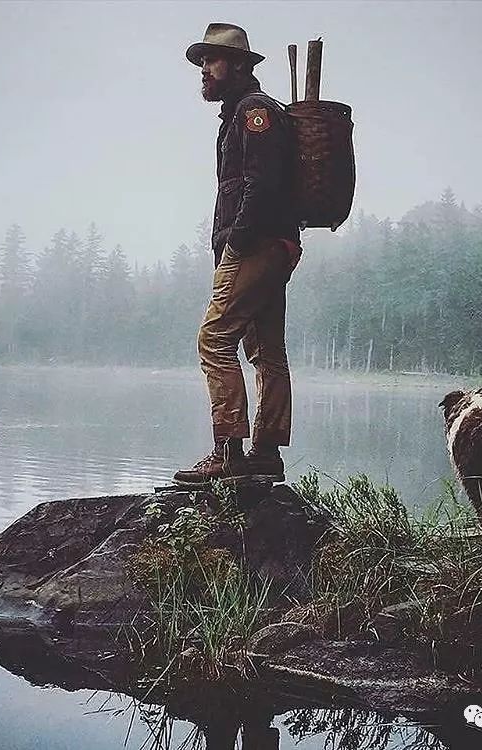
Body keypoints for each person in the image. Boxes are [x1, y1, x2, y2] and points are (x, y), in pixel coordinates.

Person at [174, 23, 302, 486]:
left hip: (257, 244)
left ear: (239, 65)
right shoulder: (243, 113)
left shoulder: (253, 112)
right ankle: (265, 453)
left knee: (214, 339)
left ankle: (226, 452)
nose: (204, 71)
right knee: (267, 350)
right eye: (203, 62)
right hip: (274, 244)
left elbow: (260, 185)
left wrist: (236, 242)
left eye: (211, 61)